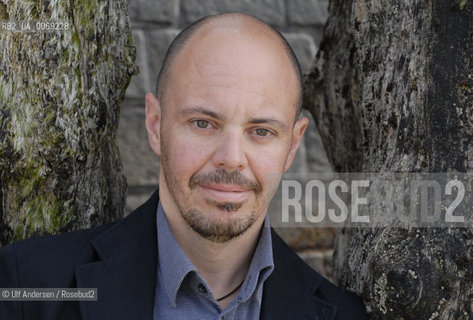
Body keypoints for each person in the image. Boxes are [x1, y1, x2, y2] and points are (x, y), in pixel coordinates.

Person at [0, 13, 369, 320]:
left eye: (261, 131)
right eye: (203, 123)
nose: (232, 157)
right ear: (156, 124)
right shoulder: (29, 287)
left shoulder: (341, 316)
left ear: (292, 145)